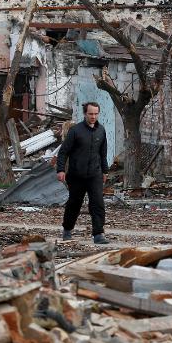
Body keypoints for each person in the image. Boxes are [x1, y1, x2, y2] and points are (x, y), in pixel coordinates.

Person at [57, 102, 110, 244]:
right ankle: (67, 229)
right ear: (85, 114)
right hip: (76, 175)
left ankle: (98, 234)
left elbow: (103, 154)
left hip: (95, 174)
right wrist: (61, 169)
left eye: (96, 114)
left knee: (98, 203)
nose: (93, 116)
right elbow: (63, 152)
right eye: (90, 114)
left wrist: (105, 171)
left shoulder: (101, 131)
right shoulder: (75, 131)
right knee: (74, 203)